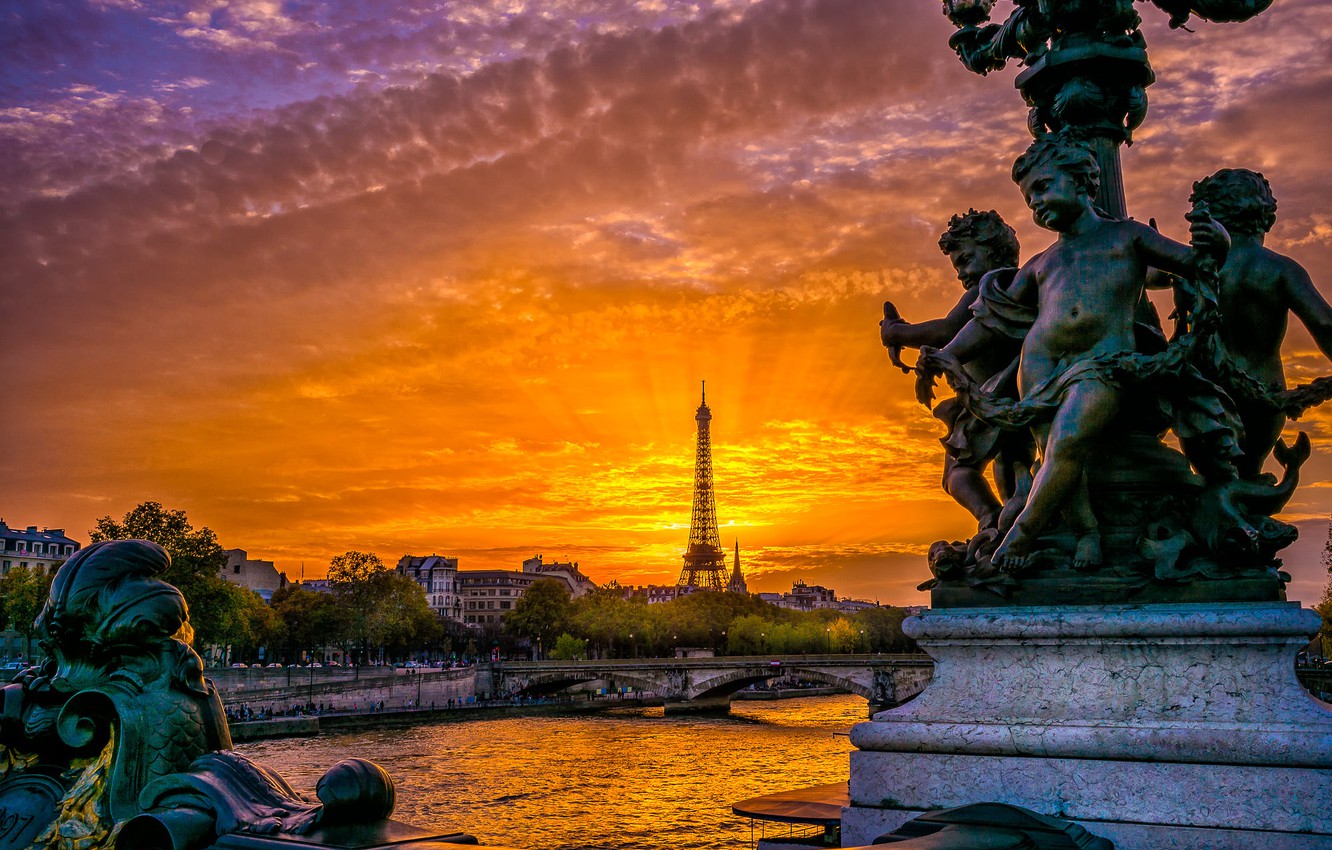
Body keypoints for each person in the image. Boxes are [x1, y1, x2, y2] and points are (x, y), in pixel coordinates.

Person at [922, 137, 1229, 572]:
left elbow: (1195, 264)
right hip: (1039, 366)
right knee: (1056, 455)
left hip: (1102, 365)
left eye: (1045, 187)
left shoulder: (1129, 236)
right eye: (1030, 198)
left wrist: (1218, 243)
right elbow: (990, 318)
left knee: (1067, 443)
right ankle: (1087, 531)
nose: (1037, 203)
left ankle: (1021, 535)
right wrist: (945, 355)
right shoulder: (1043, 261)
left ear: (1083, 180)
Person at [880, 210, 1032, 531]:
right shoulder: (1020, 287)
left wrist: (896, 333)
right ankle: (1016, 521)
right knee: (1011, 465)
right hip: (1016, 395)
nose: (961, 273)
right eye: (956, 267)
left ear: (991, 250)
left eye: (965, 260)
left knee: (957, 473)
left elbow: (946, 330)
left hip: (990, 398)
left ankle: (991, 517)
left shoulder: (992, 286)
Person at [1185, 168, 1332, 478]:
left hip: (1202, 394)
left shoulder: (1193, 264)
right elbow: (1325, 325)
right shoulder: (1280, 269)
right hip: (1265, 398)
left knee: (1212, 482)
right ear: (1266, 215)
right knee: (1248, 477)